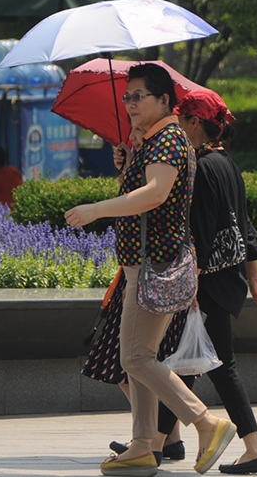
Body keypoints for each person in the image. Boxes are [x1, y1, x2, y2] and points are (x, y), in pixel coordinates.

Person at [65, 63, 236, 477]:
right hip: (143, 266)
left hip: (155, 265)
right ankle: (143, 444)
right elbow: (147, 189)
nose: (130, 103)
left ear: (164, 100)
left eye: (138, 96)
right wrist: (127, 163)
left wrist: (96, 210)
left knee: (137, 357)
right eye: (127, 97)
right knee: (137, 359)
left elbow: (156, 194)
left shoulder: (168, 140)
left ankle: (206, 423)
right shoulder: (153, 141)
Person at [175, 89, 257, 475]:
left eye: (181, 120)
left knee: (219, 366)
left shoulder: (200, 168)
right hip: (228, 279)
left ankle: (255, 448)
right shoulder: (227, 163)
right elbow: (245, 226)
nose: (178, 128)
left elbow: (197, 235)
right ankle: (158, 441)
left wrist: (191, 289)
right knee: (184, 363)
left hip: (208, 285)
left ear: (194, 123)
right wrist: (254, 277)